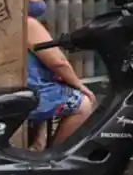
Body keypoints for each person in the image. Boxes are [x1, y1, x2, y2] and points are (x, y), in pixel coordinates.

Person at [25, 16, 95, 150]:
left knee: (54, 92)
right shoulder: (29, 24)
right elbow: (58, 62)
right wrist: (79, 85)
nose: (40, 0)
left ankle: (38, 144)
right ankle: (55, 156)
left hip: (27, 89)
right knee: (83, 103)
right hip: (31, 92)